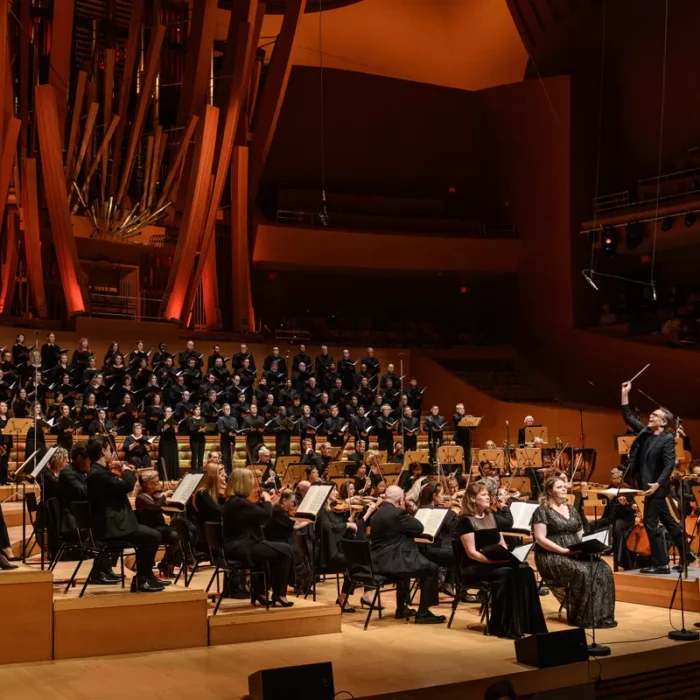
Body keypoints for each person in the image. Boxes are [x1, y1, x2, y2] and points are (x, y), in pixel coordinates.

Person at [455, 482, 547, 638]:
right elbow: (471, 553)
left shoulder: (491, 516)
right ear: (471, 499)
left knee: (525, 570)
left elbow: (501, 543)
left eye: (487, 495)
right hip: (475, 567)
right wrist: (493, 562)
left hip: (495, 562)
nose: (488, 498)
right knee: (507, 574)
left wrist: (509, 556)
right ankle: (503, 626)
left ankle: (528, 624)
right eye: (483, 495)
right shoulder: (465, 521)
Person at [621, 380, 691, 574]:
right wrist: (625, 393)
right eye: (651, 414)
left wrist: (658, 485)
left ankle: (661, 564)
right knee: (668, 521)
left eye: (655, 415)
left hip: (657, 488)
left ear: (663, 422)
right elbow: (628, 417)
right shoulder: (645, 432)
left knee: (651, 523)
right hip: (646, 485)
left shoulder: (667, 439)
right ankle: (688, 555)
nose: (650, 416)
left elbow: (669, 464)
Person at [532, 476, 616, 628]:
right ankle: (583, 615)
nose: (564, 489)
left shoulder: (572, 509)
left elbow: (580, 535)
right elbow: (539, 538)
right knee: (583, 572)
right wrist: (562, 551)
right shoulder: (542, 511)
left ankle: (601, 615)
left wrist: (591, 546)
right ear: (549, 491)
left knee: (603, 569)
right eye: (559, 487)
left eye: (565, 486)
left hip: (574, 551)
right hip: (551, 554)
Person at [86, 436, 164, 592]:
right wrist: (127, 471)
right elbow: (126, 486)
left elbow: (115, 489)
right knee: (153, 536)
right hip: (112, 528)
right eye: (109, 449)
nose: (110, 453)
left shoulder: (100, 472)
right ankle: (142, 579)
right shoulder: (98, 474)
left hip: (114, 523)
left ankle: (146, 576)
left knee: (149, 533)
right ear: (103, 451)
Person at [369, 484, 446, 624]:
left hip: (377, 562)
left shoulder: (376, 514)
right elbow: (419, 527)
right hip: (393, 562)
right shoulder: (398, 513)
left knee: (409, 569)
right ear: (400, 500)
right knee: (431, 569)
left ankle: (401, 608)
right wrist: (403, 510)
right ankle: (423, 613)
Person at [222, 468, 294, 607]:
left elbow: (259, 513)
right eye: (251, 481)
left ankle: (259, 591)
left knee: (272, 548)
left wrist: (269, 503)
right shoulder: (239, 503)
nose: (255, 484)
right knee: (285, 550)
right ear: (243, 483)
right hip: (242, 547)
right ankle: (279, 594)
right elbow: (265, 515)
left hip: (239, 545)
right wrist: (267, 500)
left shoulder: (234, 501)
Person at [317, 484, 378, 611]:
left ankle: (350, 596)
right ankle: (350, 595)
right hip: (330, 552)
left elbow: (345, 527)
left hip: (340, 548)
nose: (336, 492)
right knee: (355, 563)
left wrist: (355, 514)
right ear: (326, 494)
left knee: (363, 559)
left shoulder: (334, 510)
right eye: (333, 490)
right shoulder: (322, 512)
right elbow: (329, 528)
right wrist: (347, 525)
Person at [264, 488, 313, 594]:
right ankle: (301, 580)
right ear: (284, 500)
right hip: (277, 540)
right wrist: (309, 520)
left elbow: (294, 525)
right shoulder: (278, 511)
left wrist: (307, 520)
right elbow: (294, 526)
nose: (293, 504)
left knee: (298, 549)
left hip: (284, 538)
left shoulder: (282, 511)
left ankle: (301, 581)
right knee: (296, 550)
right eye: (291, 501)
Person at [135, 471, 182, 579]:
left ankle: (167, 563)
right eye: (156, 483)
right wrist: (164, 496)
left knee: (186, 533)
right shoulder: (141, 498)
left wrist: (175, 503)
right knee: (177, 536)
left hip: (161, 528)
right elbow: (154, 509)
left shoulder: (153, 496)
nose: (159, 485)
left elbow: (165, 510)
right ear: (149, 485)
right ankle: (166, 564)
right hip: (151, 530)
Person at [590, 467, 637, 570]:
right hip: (610, 517)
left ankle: (619, 557)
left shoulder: (626, 489)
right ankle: (594, 553)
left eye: (616, 478)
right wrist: (602, 495)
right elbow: (602, 501)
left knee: (616, 528)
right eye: (612, 479)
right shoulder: (610, 488)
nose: (614, 481)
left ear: (621, 478)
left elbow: (632, 508)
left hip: (624, 519)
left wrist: (625, 504)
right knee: (593, 524)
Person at [187, 460, 227, 555]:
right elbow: (220, 511)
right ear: (213, 478)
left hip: (217, 536)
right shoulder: (202, 494)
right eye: (221, 475)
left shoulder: (216, 494)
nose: (225, 476)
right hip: (208, 540)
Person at [158, 407, 180, 481]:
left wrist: (176, 430)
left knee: (173, 458)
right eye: (167, 412)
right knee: (165, 458)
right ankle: (164, 476)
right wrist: (164, 428)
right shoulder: (161, 422)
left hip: (172, 442)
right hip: (164, 442)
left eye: (170, 412)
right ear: (164, 413)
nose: (169, 413)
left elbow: (176, 434)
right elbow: (158, 432)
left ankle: (174, 476)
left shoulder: (174, 422)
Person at [217, 403, 238, 475]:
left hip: (232, 440)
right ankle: (225, 474)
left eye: (229, 409)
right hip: (224, 441)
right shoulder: (221, 419)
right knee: (225, 458)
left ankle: (231, 473)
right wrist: (228, 433)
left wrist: (236, 432)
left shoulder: (234, 419)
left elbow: (237, 428)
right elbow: (221, 429)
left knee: (231, 457)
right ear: (223, 410)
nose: (228, 410)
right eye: (226, 409)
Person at [187, 405, 207, 472]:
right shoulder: (190, 419)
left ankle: (200, 468)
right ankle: (193, 468)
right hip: (194, 438)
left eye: (199, 409)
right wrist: (198, 430)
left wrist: (204, 430)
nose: (198, 411)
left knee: (201, 454)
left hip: (202, 438)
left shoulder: (203, 419)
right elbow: (190, 430)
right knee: (195, 454)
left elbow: (204, 427)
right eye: (196, 409)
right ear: (193, 411)